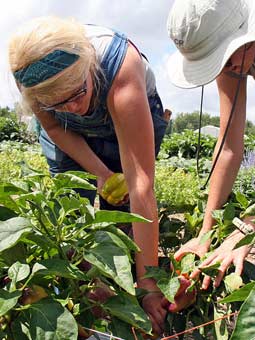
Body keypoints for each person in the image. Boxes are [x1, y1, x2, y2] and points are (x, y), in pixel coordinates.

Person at [8, 16, 168, 334]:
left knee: (122, 212)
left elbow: (140, 185)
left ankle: (127, 289)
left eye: (77, 93)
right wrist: (101, 172)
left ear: (87, 67)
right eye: (58, 102)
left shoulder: (118, 67)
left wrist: (149, 284)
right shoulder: (31, 77)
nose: (74, 107)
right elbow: (54, 126)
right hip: (66, 135)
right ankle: (88, 288)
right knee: (70, 211)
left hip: (122, 109)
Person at [166, 0, 255, 296]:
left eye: (224, 58)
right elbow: (229, 145)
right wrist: (207, 232)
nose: (225, 69)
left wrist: (245, 230)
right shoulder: (231, 54)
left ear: (247, 31)